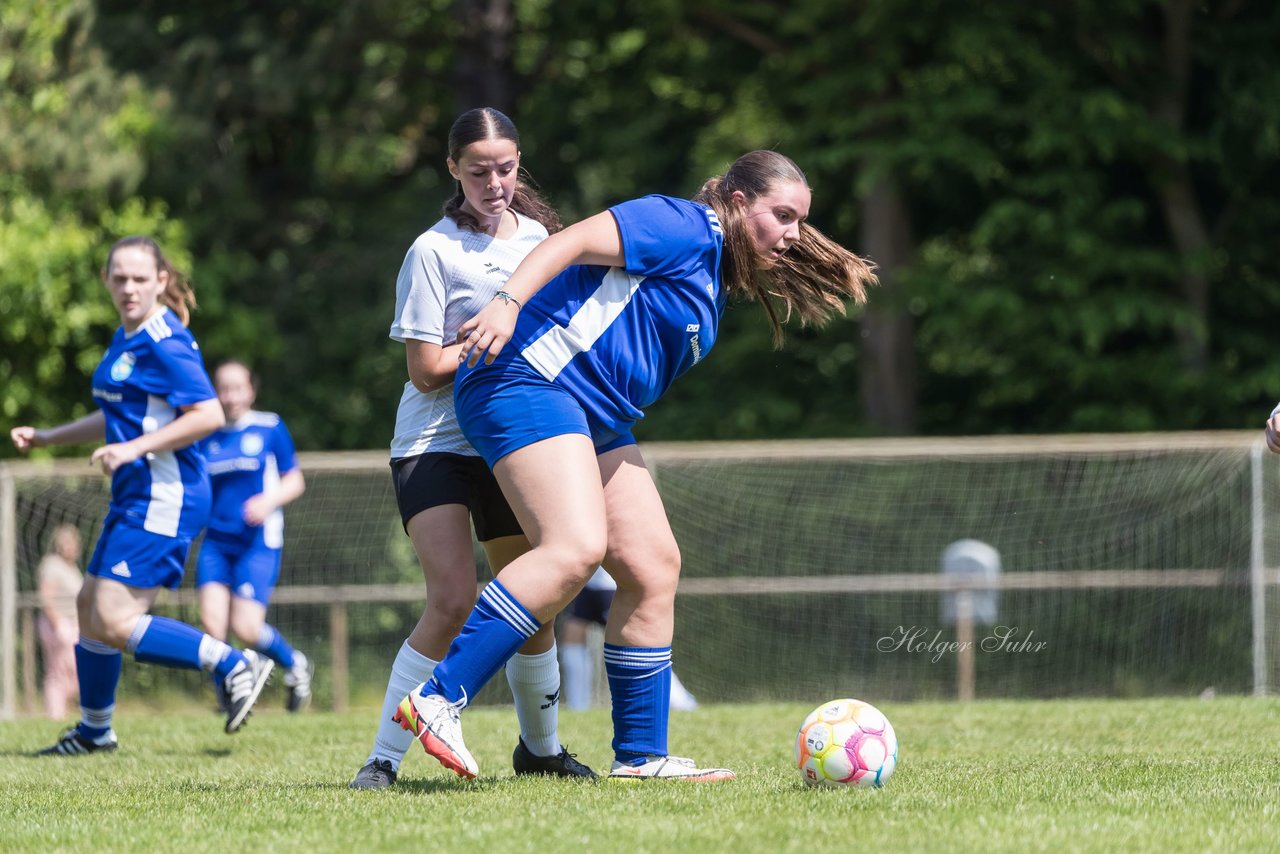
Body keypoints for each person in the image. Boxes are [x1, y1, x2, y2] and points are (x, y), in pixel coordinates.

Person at [396, 149, 875, 781]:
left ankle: (642, 756)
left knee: (653, 566)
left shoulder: (713, 271)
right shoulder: (680, 224)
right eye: (781, 216)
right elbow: (568, 243)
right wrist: (508, 301)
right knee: (574, 548)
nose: (793, 234)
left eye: (798, 221)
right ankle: (437, 697)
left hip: (591, 411)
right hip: (527, 381)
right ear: (735, 203)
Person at [349, 107, 595, 790]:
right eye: (479, 170)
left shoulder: (541, 239)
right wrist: (494, 331)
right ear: (453, 168)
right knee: (453, 599)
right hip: (435, 443)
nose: (495, 182)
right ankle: (382, 760)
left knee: (535, 601)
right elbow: (426, 369)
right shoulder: (434, 250)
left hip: (512, 440)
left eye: (507, 168)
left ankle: (540, 749)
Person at [9, 236, 274, 756]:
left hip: (166, 493)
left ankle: (234, 662)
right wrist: (48, 436)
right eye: (119, 278)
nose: (128, 287)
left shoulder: (163, 340)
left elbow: (209, 414)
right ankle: (94, 730)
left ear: (160, 281)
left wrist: (134, 449)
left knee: (112, 618)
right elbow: (117, 415)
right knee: (89, 608)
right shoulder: (126, 337)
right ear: (107, 280)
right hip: (138, 492)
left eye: (138, 278)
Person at [197, 359, 312, 713]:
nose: (230, 396)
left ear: (250, 390)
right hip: (216, 542)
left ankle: (295, 664)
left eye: (237, 387)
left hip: (257, 542)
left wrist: (268, 500)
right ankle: (232, 696)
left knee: (246, 629)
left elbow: (295, 480)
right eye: (223, 388)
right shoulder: (205, 435)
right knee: (212, 626)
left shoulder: (269, 427)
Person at [560, 568, 698, 712]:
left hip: (611, 587)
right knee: (572, 637)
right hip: (588, 587)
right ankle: (577, 706)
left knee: (637, 644)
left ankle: (679, 700)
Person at [36, 525, 85, 720]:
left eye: (72, 543)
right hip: (57, 625)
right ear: (58, 545)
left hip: (73, 624)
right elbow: (46, 597)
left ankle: (62, 710)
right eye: (65, 543)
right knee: (58, 672)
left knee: (75, 672)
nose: (69, 547)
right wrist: (58, 625)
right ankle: (55, 715)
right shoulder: (52, 565)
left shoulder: (71, 567)